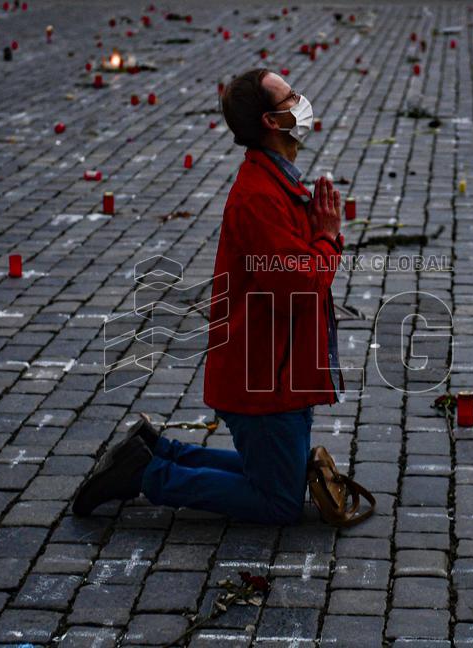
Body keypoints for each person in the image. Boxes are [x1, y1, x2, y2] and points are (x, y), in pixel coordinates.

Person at [73, 68, 344, 525]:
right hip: (265, 381)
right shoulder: (260, 197)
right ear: (269, 123)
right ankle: (148, 474)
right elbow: (298, 288)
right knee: (277, 502)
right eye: (289, 97)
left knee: (283, 479)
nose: (301, 101)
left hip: (273, 369)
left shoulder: (276, 182)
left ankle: (158, 450)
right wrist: (328, 238)